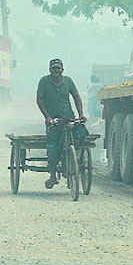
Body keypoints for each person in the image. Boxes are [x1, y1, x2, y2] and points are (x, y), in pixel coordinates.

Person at [36, 59, 87, 189]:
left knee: (79, 135)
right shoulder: (44, 81)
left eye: (58, 68)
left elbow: (76, 97)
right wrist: (47, 117)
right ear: (50, 70)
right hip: (53, 121)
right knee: (53, 148)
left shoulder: (68, 81)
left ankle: (72, 161)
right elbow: (39, 99)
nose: (56, 71)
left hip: (68, 117)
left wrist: (81, 114)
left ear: (62, 70)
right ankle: (52, 175)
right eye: (53, 68)